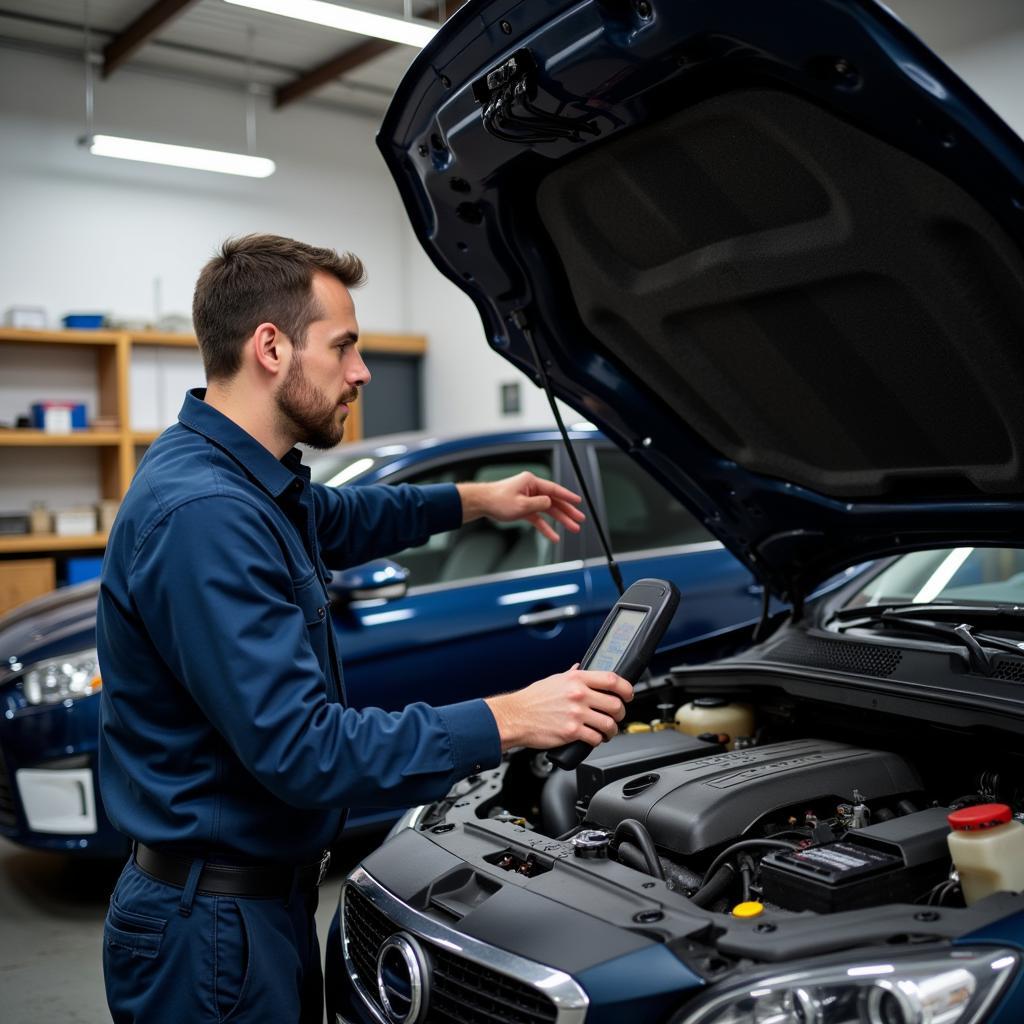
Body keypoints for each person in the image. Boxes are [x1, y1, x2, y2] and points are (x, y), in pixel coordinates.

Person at [97, 233, 633, 1024]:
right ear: (271, 347)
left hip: (243, 908)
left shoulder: (230, 473)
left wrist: (475, 501)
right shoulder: (207, 515)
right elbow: (304, 752)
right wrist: (510, 718)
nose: (360, 372)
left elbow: (342, 515)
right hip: (208, 933)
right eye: (344, 346)